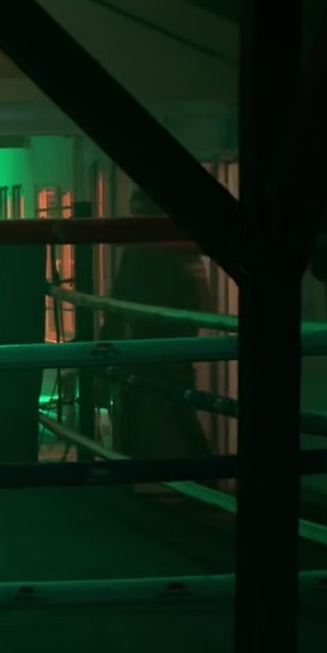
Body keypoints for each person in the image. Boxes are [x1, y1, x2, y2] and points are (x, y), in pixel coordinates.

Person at [104, 187, 215, 465]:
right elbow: (122, 295)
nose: (136, 217)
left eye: (140, 211)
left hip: (159, 346)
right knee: (164, 412)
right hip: (157, 345)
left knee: (171, 412)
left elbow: (123, 296)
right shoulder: (171, 247)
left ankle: (201, 473)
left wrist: (110, 338)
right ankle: (200, 473)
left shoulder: (162, 248)